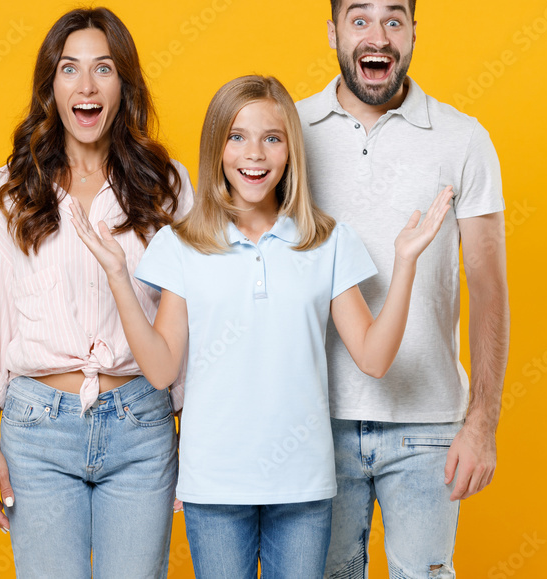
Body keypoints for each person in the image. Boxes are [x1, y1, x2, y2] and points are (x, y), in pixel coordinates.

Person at [69, 74, 453, 578]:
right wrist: (118, 275)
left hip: (304, 487)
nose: (255, 154)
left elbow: (374, 358)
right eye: (237, 137)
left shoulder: (327, 242)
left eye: (272, 138)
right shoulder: (182, 244)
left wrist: (405, 264)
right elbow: (162, 370)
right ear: (217, 148)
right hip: (214, 486)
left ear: (291, 150)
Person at [0, 7, 193, 578]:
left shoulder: (167, 187)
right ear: (51, 87)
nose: (86, 86)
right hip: (37, 430)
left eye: (103, 69)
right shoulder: (10, 190)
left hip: (141, 425)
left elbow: (190, 325)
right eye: (69, 69)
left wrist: (194, 434)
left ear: (124, 86)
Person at [296, 0, 511, 578]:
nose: (378, 36)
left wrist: (482, 425)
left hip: (429, 427)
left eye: (394, 21)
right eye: (359, 19)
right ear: (333, 33)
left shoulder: (462, 139)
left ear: (414, 34)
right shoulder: (288, 132)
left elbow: (489, 291)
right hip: (315, 421)